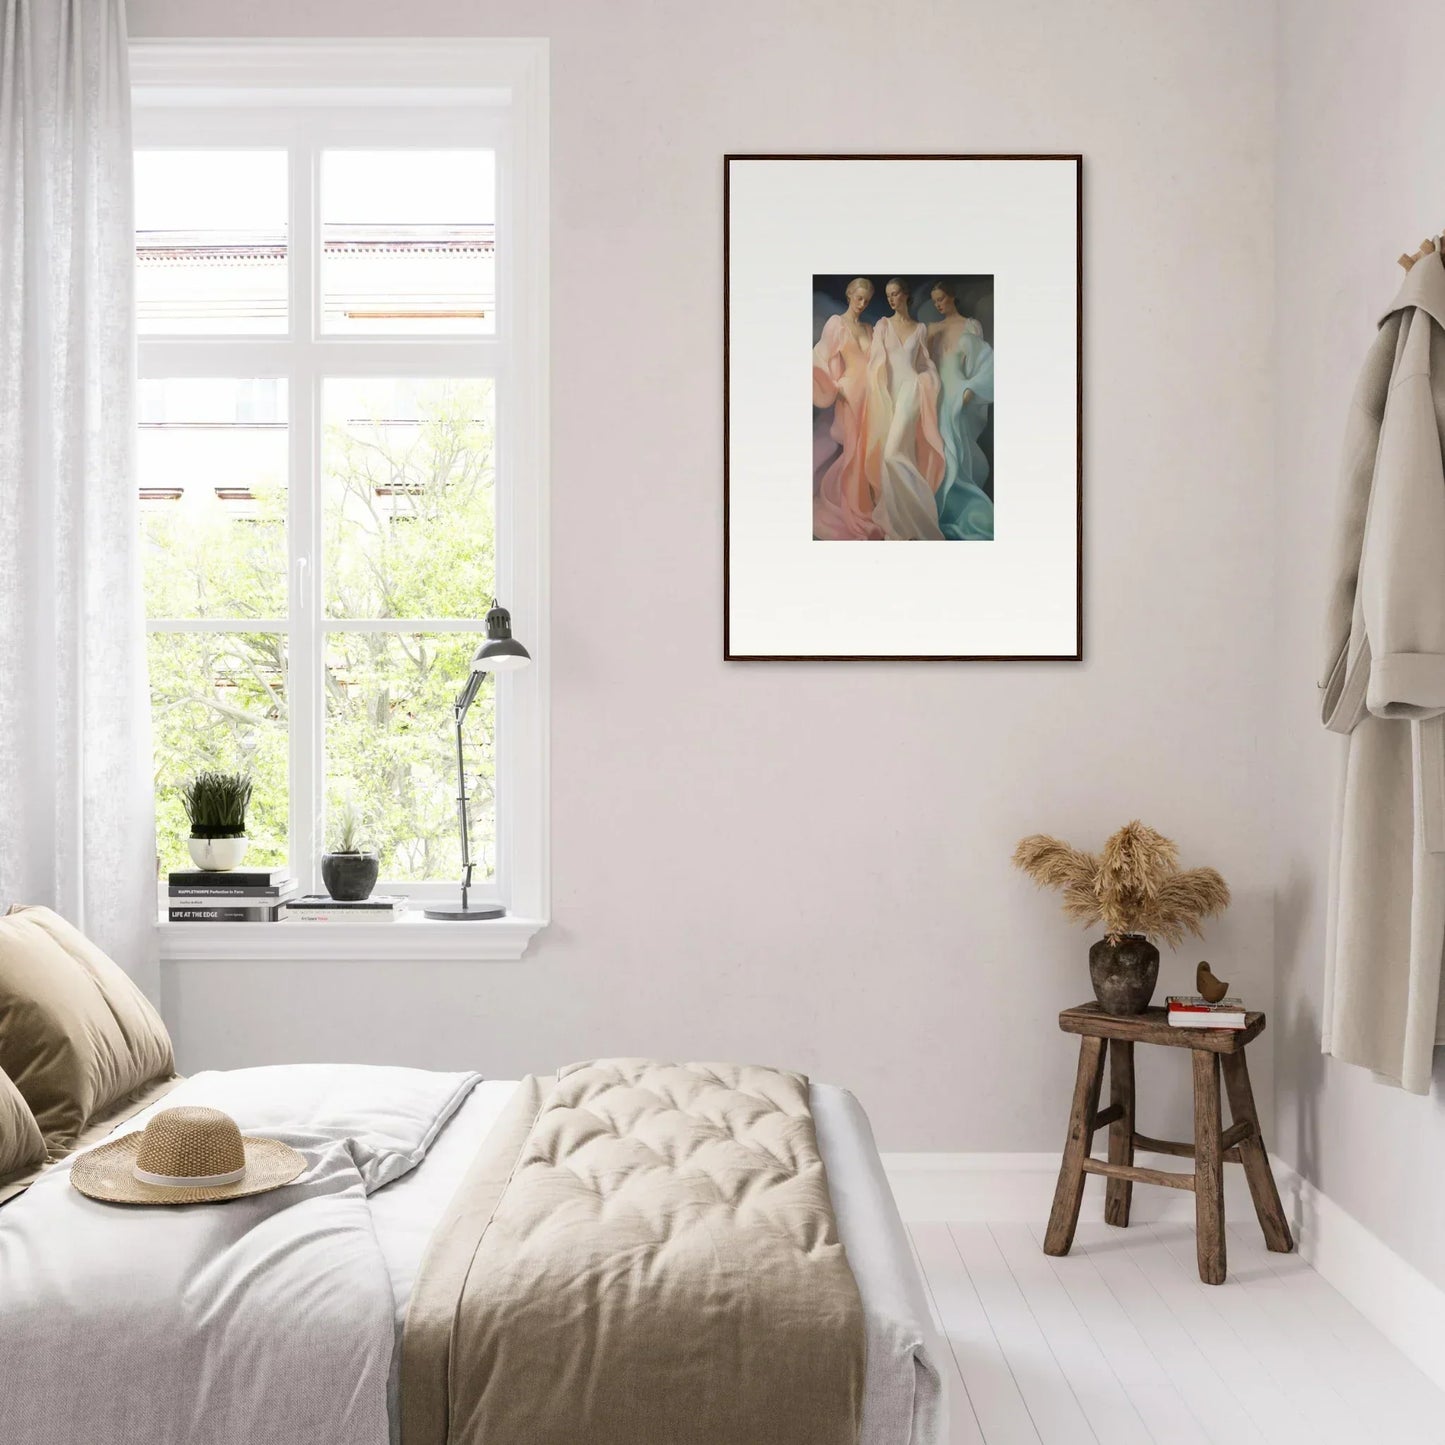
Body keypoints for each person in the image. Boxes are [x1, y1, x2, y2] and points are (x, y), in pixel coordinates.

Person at [865, 278, 945, 540]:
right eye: (887, 295)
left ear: (905, 295)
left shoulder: (920, 328)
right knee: (900, 455)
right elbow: (875, 364)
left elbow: (925, 365)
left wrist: (928, 382)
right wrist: (879, 393)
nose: (890, 299)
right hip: (887, 396)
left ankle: (921, 512)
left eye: (895, 293)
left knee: (892, 455)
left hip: (911, 392)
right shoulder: (883, 326)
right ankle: (900, 521)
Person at [812, 277, 883, 540]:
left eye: (866, 299)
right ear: (849, 295)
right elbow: (822, 355)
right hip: (851, 395)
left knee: (870, 451)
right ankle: (853, 508)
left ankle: (868, 504)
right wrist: (835, 384)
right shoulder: (836, 324)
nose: (862, 303)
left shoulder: (869, 328)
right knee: (854, 451)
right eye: (858, 298)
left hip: (872, 397)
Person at [927, 280, 995, 541]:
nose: (938, 305)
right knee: (940, 451)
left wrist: (970, 390)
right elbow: (926, 364)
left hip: (959, 397)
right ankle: (939, 510)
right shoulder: (934, 328)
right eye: (934, 301)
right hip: (937, 395)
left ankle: (962, 512)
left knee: (957, 451)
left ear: (952, 297)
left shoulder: (970, 326)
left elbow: (982, 362)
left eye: (941, 299)